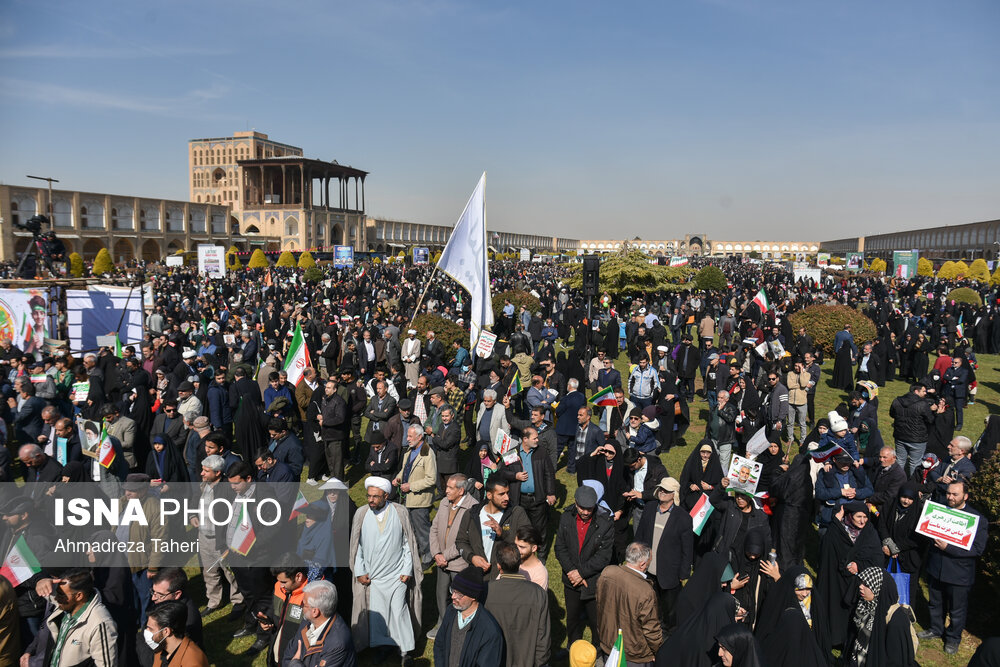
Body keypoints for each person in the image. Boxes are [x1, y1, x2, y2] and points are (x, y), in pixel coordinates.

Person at [348, 476, 422, 664]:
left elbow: (408, 544)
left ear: (386, 496)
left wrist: (407, 569)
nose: (370, 500)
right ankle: (383, 647)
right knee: (379, 615)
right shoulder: (361, 513)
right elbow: (357, 547)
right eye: (369, 496)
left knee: (399, 611)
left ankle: (405, 651)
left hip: (397, 575)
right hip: (374, 578)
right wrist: (359, 571)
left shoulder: (400, 512)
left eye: (375, 496)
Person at [920, 479, 988, 655]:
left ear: (965, 496)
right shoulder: (938, 510)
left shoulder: (978, 520)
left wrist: (948, 548)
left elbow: (977, 549)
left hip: (959, 574)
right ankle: (936, 629)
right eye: (948, 493)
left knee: (957, 610)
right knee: (935, 603)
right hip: (936, 568)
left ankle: (953, 639)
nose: (949, 497)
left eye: (954, 494)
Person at [814, 501, 883, 657]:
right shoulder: (837, 530)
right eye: (859, 516)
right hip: (836, 582)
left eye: (865, 517)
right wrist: (835, 522)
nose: (862, 520)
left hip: (855, 584)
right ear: (849, 516)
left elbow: (878, 559)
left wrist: (859, 565)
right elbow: (826, 551)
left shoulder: (870, 533)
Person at [554, 485, 614, 647]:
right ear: (575, 503)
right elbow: (560, 547)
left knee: (596, 621)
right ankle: (572, 649)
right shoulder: (566, 517)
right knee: (572, 618)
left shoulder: (605, 522)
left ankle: (597, 651)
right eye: (582, 508)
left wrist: (580, 573)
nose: (586, 512)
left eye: (589, 509)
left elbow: (604, 556)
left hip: (593, 581)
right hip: (571, 581)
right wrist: (572, 572)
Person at [22, 569, 118, 667]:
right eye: (57, 592)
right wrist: (40, 580)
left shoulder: (100, 623)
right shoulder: (64, 606)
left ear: (79, 596)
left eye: (61, 595)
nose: (56, 598)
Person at [634, 477, 693, 633]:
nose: (662, 492)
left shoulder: (683, 518)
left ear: (674, 494)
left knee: (669, 612)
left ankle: (667, 638)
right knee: (649, 607)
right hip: (647, 571)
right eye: (661, 489)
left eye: (666, 490)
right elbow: (639, 536)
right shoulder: (650, 508)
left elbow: (687, 549)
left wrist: (683, 573)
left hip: (669, 575)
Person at [596, 542, 663, 666]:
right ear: (643, 564)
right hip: (634, 656)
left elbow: (599, 604)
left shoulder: (607, 572)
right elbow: (651, 629)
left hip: (608, 646)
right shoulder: (646, 591)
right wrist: (658, 650)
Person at [427, 473, 478, 640]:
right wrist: (436, 553)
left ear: (461, 491)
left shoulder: (473, 508)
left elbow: (468, 539)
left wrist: (444, 556)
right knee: (441, 594)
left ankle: (460, 627)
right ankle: (442, 622)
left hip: (459, 563)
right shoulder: (443, 502)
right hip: (441, 561)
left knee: (460, 597)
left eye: (450, 488)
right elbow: (434, 529)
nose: (446, 490)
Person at [485, 542, 550, 667]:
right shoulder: (538, 594)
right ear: (519, 563)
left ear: (499, 566)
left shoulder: (486, 591)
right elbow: (543, 638)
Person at [495, 425, 556, 557]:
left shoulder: (542, 452)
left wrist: (550, 493)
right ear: (525, 439)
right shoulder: (512, 453)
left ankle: (540, 556)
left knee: (540, 530)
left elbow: (549, 474)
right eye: (534, 438)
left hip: (537, 499)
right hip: (519, 499)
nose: (537, 440)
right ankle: (519, 554)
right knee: (519, 528)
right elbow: (502, 472)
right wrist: (515, 476)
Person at [431, 566, 506, 667]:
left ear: (473, 596)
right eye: (452, 590)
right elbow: (440, 644)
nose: (453, 596)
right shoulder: (451, 611)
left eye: (459, 594)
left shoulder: (490, 631)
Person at [843, 568, 917, 667]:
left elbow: (895, 659)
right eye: (861, 582)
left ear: (878, 588)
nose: (861, 587)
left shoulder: (897, 619)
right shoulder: (864, 605)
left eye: (866, 585)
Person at [455, 477, 530, 575]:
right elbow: (460, 541)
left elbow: (527, 542)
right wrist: (472, 557)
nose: (506, 498)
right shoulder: (471, 514)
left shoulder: (517, 513)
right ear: (489, 495)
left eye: (507, 493)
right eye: (501, 494)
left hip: (504, 577)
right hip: (478, 576)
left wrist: (502, 534)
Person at [281, 580, 357, 667]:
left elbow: (292, 659)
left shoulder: (338, 643)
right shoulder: (307, 620)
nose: (301, 607)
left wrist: (294, 663)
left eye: (304, 604)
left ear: (315, 612)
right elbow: (288, 655)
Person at [393, 423, 437, 568]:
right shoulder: (409, 452)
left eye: (410, 436)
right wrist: (398, 478)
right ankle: (416, 553)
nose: (407, 439)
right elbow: (405, 470)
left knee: (422, 530)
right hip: (407, 499)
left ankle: (428, 557)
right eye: (407, 435)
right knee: (409, 529)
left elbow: (431, 479)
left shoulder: (428, 453)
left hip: (420, 501)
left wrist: (411, 486)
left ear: (419, 437)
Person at [889, 383, 935, 476]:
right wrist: (932, 411)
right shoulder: (923, 404)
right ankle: (913, 484)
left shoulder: (897, 401)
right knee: (915, 463)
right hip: (917, 439)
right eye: (923, 391)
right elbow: (930, 420)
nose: (925, 393)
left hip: (900, 436)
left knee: (900, 460)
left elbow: (892, 414)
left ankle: (896, 480)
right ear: (916, 391)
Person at [146, 601, 210, 667]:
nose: (146, 631)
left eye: (150, 629)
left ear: (166, 631)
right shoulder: (161, 647)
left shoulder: (193, 662)